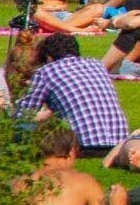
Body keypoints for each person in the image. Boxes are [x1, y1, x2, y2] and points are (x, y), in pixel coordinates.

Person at [9, 31, 131, 162]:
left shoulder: (46, 72)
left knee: (23, 130)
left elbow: (24, 114)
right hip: (119, 144)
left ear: (49, 57)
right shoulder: (97, 65)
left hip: (82, 145)